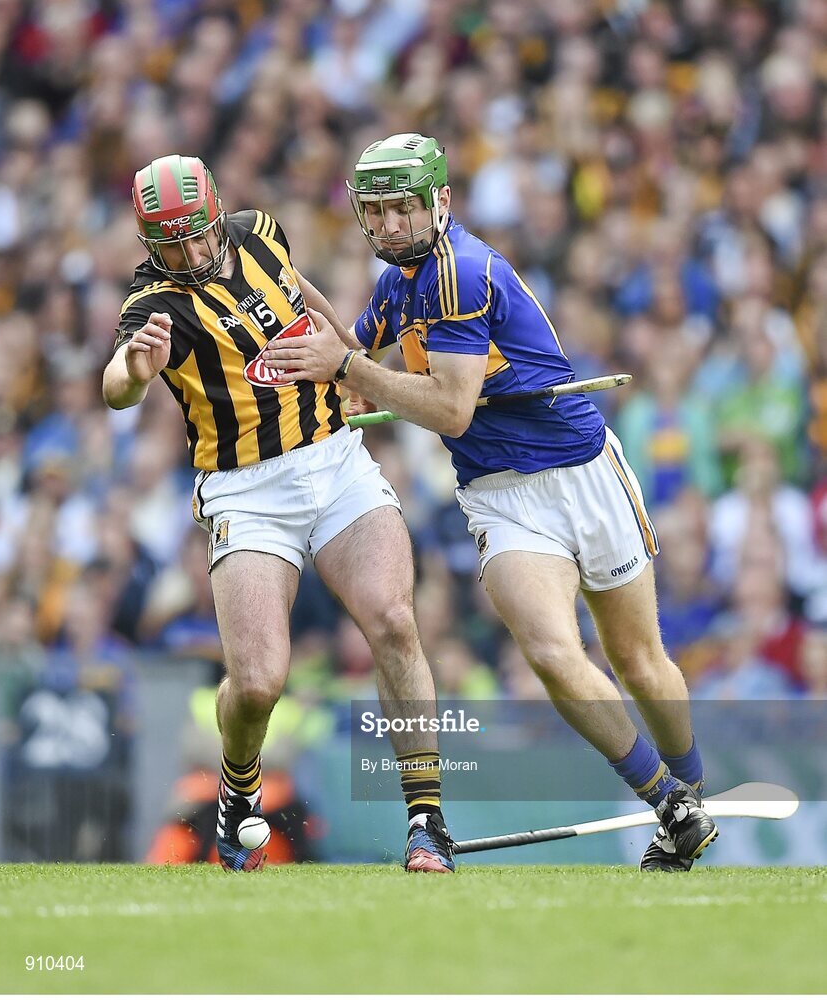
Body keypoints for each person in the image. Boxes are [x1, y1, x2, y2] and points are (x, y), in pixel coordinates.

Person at [263, 134, 718, 872]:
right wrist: (320, 332)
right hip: (502, 498)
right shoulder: (397, 284)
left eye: (401, 209)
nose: (386, 226)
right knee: (548, 650)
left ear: (440, 202)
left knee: (638, 659)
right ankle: (668, 800)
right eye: (374, 212)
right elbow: (358, 367)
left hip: (582, 473)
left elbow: (448, 411)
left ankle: (691, 791)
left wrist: (345, 365)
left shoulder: (460, 272)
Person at [102, 154, 454, 873]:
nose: (192, 253)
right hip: (244, 487)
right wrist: (136, 371)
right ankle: (237, 791)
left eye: (199, 235)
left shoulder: (259, 230)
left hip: (332, 457)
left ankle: (427, 821)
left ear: (217, 214)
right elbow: (115, 386)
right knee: (259, 680)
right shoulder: (152, 307)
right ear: (150, 244)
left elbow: (301, 293)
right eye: (172, 243)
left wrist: (352, 362)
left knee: (392, 618)